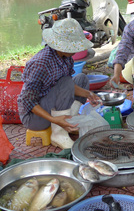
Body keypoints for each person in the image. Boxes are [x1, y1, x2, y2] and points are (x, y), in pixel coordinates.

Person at [17, 18, 101, 150]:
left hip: (51, 104)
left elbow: (67, 87)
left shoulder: (66, 58)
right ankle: (59, 133)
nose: (77, 49)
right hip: (33, 118)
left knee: (81, 79)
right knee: (67, 81)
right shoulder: (40, 63)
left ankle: (69, 123)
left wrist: (89, 94)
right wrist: (54, 120)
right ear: (61, 45)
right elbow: (28, 101)